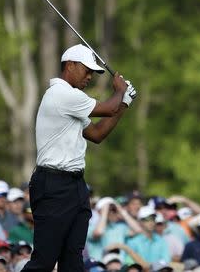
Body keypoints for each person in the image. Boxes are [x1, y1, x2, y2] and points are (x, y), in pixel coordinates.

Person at [21, 44, 136, 272]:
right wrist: (120, 92)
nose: (89, 76)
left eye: (92, 72)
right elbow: (107, 109)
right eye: (87, 70)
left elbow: (97, 134)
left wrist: (123, 103)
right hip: (53, 184)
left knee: (72, 261)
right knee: (44, 260)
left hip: (74, 186)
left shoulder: (72, 102)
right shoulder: (62, 94)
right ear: (70, 66)